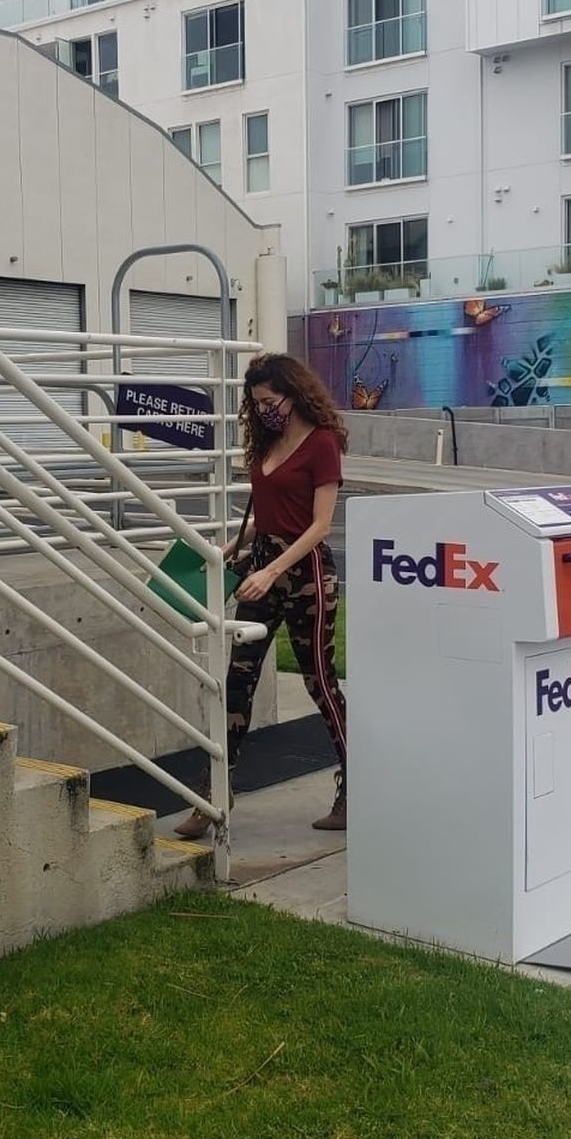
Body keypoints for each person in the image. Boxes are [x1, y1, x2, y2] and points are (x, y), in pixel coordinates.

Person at [175, 352, 348, 839]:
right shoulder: (266, 443)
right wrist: (229, 547)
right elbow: (267, 515)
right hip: (263, 567)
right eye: (257, 403)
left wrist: (273, 570)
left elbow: (320, 526)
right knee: (237, 682)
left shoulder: (322, 444)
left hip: (306, 575)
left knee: (320, 682)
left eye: (271, 401)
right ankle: (215, 793)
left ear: (295, 394)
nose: (264, 410)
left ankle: (356, 783)